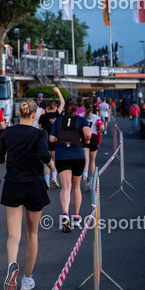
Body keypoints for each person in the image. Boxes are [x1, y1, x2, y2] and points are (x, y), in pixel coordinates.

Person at [0, 99, 56, 290]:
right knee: (32, 234)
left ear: (19, 114)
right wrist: (52, 166)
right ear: (33, 115)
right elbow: (44, 155)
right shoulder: (40, 133)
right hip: (34, 185)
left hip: (13, 183)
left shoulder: (8, 132)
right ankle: (26, 280)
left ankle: (12, 265)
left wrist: (11, 155)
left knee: (14, 235)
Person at [49, 88, 92, 231]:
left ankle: (65, 214)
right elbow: (87, 134)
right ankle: (76, 217)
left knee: (65, 187)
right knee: (76, 187)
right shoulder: (82, 120)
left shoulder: (58, 121)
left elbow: (52, 138)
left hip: (62, 154)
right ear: (76, 108)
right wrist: (85, 140)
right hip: (77, 154)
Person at [38, 99, 61, 189]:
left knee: (46, 161)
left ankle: (47, 182)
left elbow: (40, 129)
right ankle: (54, 177)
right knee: (54, 160)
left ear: (46, 107)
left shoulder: (42, 117)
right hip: (55, 140)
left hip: (45, 140)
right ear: (54, 107)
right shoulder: (58, 116)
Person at [82, 100, 104, 191]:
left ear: (84, 107)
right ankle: (91, 182)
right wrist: (99, 132)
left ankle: (84, 177)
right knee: (92, 162)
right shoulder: (96, 117)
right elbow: (102, 127)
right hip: (94, 137)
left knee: (86, 161)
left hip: (84, 138)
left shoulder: (81, 116)